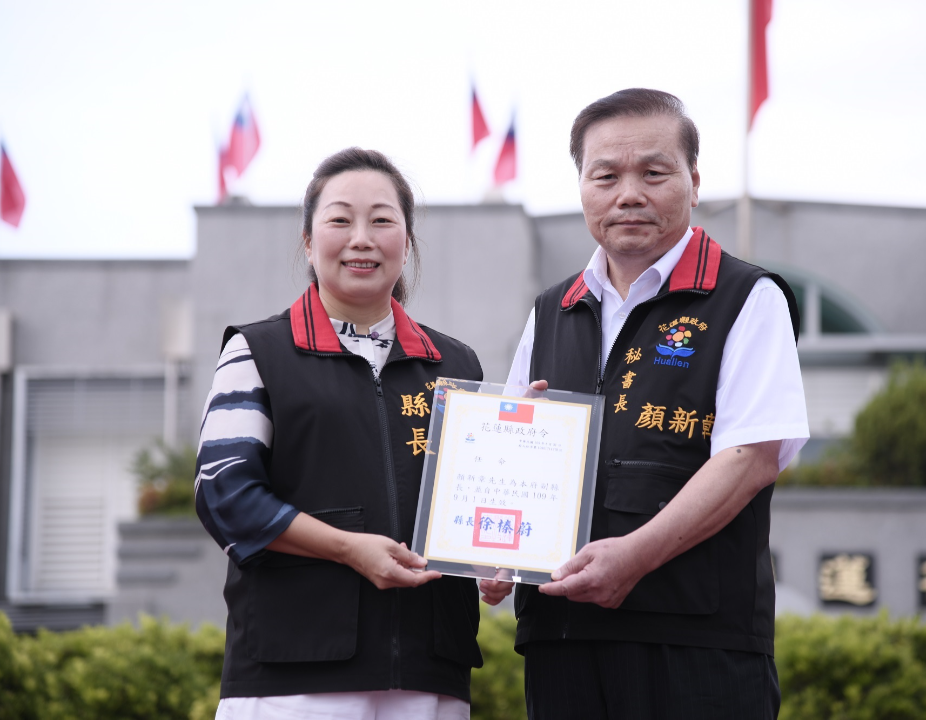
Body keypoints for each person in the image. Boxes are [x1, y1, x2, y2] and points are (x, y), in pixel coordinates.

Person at [504, 89, 809, 718]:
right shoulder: (552, 310)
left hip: (696, 640)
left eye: (654, 172)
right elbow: (510, 453)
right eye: (606, 176)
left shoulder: (746, 298)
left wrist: (635, 557)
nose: (629, 194)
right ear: (582, 186)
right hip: (562, 640)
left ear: (694, 181)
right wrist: (494, 557)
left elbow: (752, 456)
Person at [195, 147, 511, 720]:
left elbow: (474, 502)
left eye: (382, 220)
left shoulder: (456, 365)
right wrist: (350, 549)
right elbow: (224, 494)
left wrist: (495, 558)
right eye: (340, 220)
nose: (361, 238)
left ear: (407, 242)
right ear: (309, 242)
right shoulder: (256, 352)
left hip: (429, 674)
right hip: (293, 674)